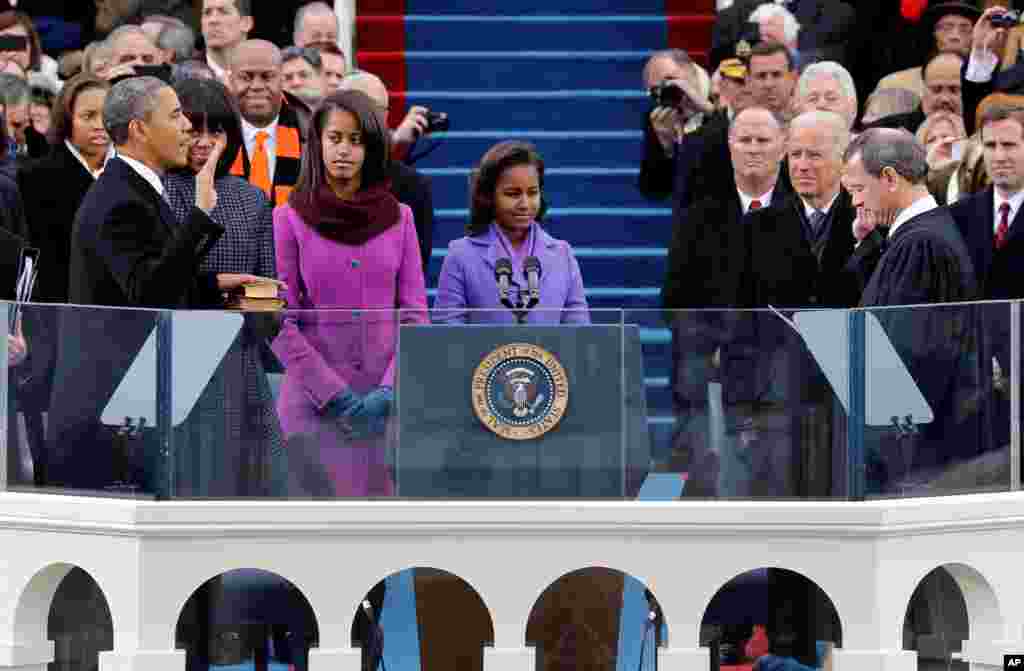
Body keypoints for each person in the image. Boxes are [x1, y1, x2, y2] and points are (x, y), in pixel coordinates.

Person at [46, 76, 273, 491]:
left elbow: (155, 277)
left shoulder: (137, 189)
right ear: (139, 129)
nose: (187, 126)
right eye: (175, 115)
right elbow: (150, 294)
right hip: (111, 420)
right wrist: (202, 213)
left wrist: (214, 287)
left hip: (136, 411)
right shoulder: (119, 199)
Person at [271, 89, 428, 497]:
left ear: (372, 148)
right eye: (335, 138)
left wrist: (390, 391)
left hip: (386, 409)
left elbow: (414, 318)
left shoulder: (401, 218)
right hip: (313, 408)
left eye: (356, 140)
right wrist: (333, 395)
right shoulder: (287, 218)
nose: (344, 150)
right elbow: (279, 321)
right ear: (317, 144)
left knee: (381, 542)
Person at [843, 128, 982, 492]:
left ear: (889, 178)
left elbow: (904, 356)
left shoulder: (921, 245)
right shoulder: (917, 237)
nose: (855, 203)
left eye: (858, 190)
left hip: (914, 459)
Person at [163, 76, 284, 496]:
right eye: (193, 129)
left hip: (239, 357)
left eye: (215, 130)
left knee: (246, 485)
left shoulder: (251, 198)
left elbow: (270, 283)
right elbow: (165, 277)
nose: (204, 141)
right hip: (175, 358)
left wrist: (263, 307)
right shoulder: (160, 189)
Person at [16, 74, 112, 487]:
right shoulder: (39, 176)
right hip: (55, 322)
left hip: (111, 323)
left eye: (106, 115)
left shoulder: (123, 174)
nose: (98, 125)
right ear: (67, 120)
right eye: (87, 115)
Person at [435, 140, 589, 325]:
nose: (525, 204)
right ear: (489, 196)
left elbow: (580, 334)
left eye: (532, 193)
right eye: (513, 194)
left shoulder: (563, 254)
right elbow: (446, 334)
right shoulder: (460, 254)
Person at [338, 71, 435, 269]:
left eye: (373, 108)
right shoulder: (309, 175)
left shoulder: (413, 186)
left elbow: (415, 269)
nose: (363, 115)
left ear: (386, 116)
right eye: (352, 106)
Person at [228, 39, 306, 206]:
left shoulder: (309, 132)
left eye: (267, 76)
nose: (256, 86)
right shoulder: (215, 134)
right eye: (246, 77)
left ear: (282, 80)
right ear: (230, 80)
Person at [794, 61, 858, 130]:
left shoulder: (867, 140)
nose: (821, 105)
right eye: (813, 99)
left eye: (831, 98)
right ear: (799, 109)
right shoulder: (785, 140)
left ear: (852, 106)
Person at [200, 0, 253, 82]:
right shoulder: (182, 75)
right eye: (207, 13)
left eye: (223, 12)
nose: (213, 20)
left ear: (246, 23)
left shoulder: (268, 72)